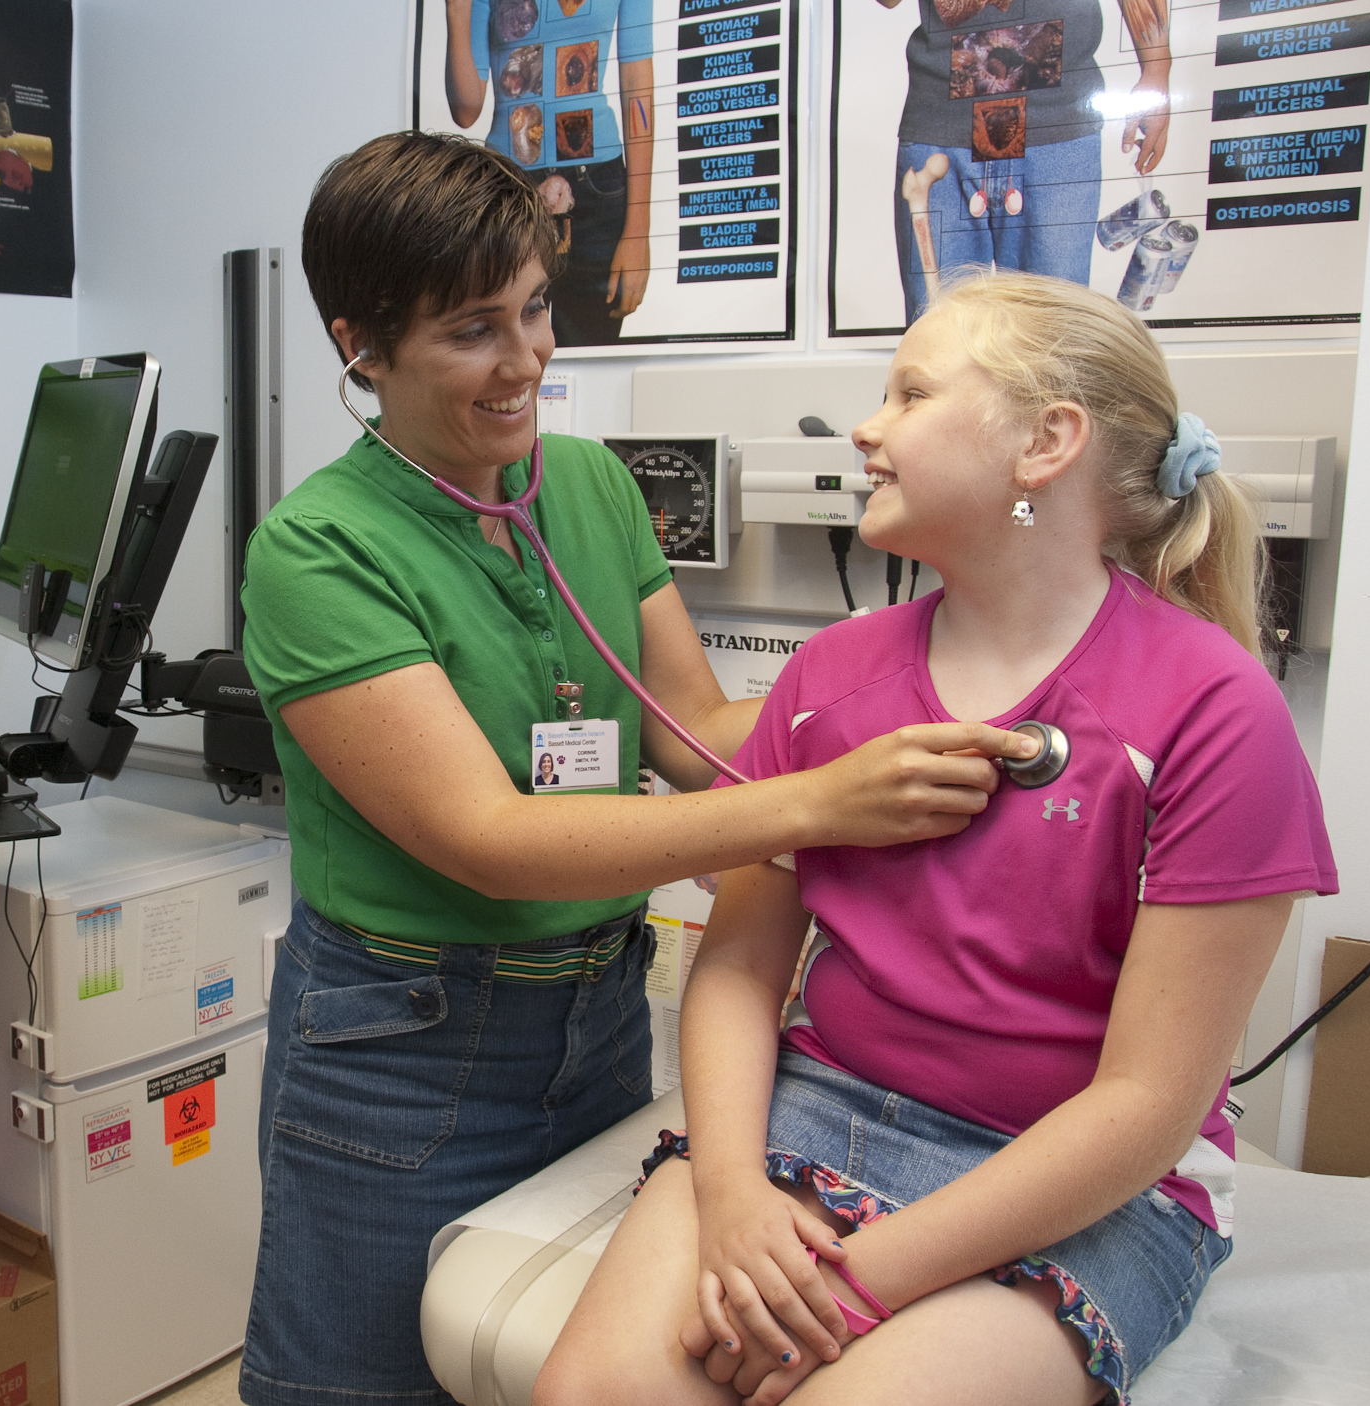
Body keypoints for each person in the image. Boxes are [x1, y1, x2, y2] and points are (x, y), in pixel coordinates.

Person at [235, 131, 1038, 1406]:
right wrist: (823, 800)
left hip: (600, 1017)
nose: (529, 359)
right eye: (472, 330)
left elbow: (695, 726)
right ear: (362, 346)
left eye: (538, 308)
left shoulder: (593, 486)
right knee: (360, 1386)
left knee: (533, 1357)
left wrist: (917, 695)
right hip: (407, 1043)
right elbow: (489, 835)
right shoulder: (317, 552)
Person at [536, 271, 1337, 1406]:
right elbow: (742, 965)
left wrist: (857, 1283)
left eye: (911, 393)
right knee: (594, 1392)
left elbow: (1148, 1104)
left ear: (1045, 443)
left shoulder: (1213, 710)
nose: (867, 426)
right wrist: (731, 1192)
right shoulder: (827, 678)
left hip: (1081, 1173)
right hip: (821, 1108)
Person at [881, 0, 1171, 324]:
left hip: (1057, 127)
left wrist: (1157, 69)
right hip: (942, 127)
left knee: (1053, 342)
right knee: (938, 346)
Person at [445, 0, 654, 345]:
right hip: (508, 187)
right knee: (508, 359)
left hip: (597, 190)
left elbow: (638, 87)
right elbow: (466, 111)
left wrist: (638, 232)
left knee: (591, 358)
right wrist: (456, 11)